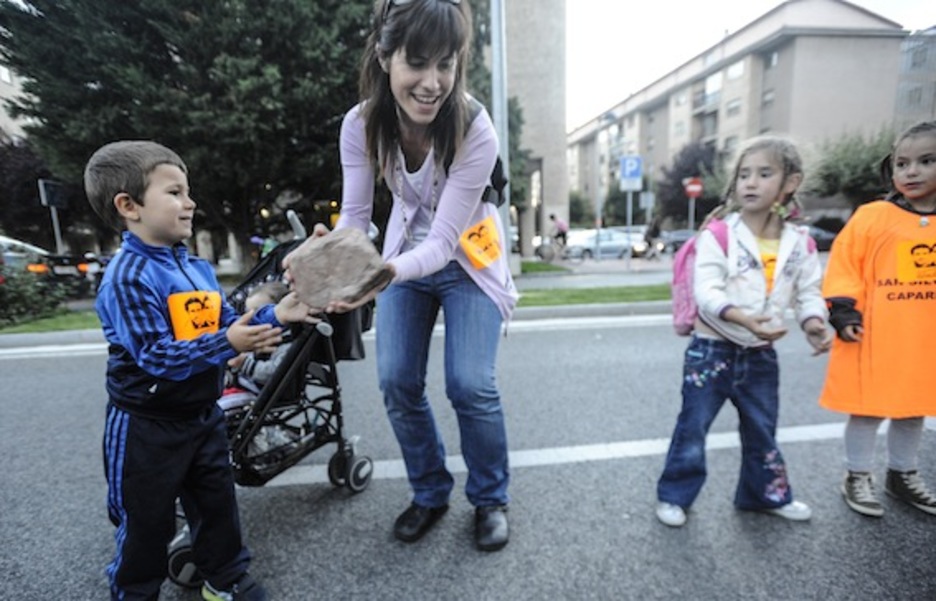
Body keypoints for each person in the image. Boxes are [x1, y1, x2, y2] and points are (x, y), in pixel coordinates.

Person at [285, 0, 517, 551]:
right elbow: (357, 217)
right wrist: (335, 255)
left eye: (447, 64)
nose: (433, 82)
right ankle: (430, 491)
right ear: (385, 57)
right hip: (397, 264)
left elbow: (441, 243)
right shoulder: (361, 124)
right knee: (396, 383)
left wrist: (382, 272)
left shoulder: (476, 128)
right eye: (417, 62)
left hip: (467, 264)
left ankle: (490, 498)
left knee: (470, 384)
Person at [85, 140, 318, 600]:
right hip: (147, 426)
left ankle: (224, 578)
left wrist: (277, 316)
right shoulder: (129, 276)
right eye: (174, 192)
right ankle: (135, 591)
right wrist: (228, 343)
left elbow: (227, 326)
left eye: (187, 191)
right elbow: (156, 356)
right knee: (145, 519)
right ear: (129, 206)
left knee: (216, 506)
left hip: (202, 416)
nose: (189, 202)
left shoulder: (196, 268)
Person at [655, 135, 833, 527]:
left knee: (762, 430)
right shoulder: (718, 234)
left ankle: (764, 496)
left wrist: (815, 323)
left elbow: (808, 293)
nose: (749, 183)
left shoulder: (799, 242)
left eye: (764, 173)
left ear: (791, 183)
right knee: (692, 428)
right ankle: (674, 496)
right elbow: (706, 294)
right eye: (743, 175)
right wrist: (745, 319)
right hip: (711, 350)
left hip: (760, 354)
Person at [819, 120, 936, 518]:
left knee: (912, 407)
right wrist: (843, 310)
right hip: (874, 335)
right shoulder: (872, 217)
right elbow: (844, 266)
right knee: (867, 407)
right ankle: (857, 474)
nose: (912, 171)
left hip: (924, 340)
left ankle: (902, 474)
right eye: (902, 163)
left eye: (926, 161)